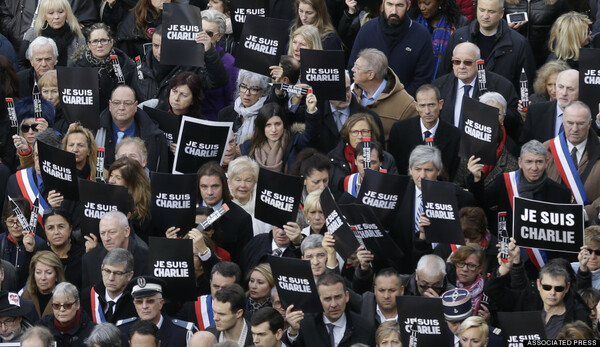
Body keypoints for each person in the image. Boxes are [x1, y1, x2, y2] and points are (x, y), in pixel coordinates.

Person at [467, 140, 571, 268]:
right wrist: (477, 180)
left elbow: (564, 236)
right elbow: (481, 205)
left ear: (546, 163)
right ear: (520, 162)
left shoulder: (560, 193)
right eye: (529, 162)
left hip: (543, 262)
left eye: (539, 162)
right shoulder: (504, 182)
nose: (534, 167)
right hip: (507, 255)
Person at [390, 145, 475, 274]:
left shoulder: (458, 196)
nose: (422, 175)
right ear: (410, 170)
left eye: (428, 170)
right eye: (417, 169)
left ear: (438, 171)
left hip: (445, 265)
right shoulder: (396, 194)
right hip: (406, 267)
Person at [485, 241, 591, 339]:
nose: (552, 292)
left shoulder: (579, 316)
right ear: (538, 285)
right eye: (547, 287)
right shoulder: (526, 301)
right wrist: (505, 268)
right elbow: (492, 290)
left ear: (567, 288)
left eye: (558, 288)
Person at [441, 0, 536, 95]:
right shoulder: (459, 37)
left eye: (491, 12)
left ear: (501, 13)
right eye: (482, 10)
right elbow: (445, 74)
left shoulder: (519, 43)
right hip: (463, 100)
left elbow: (526, 85)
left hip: (502, 103)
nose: (485, 16)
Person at [348, 0, 434, 96]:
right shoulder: (367, 30)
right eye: (390, 4)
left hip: (405, 106)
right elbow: (353, 68)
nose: (394, 11)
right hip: (367, 103)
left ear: (408, 6)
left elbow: (422, 79)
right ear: (383, 3)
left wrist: (400, 102)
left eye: (399, 5)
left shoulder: (421, 36)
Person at [433, 42, 520, 135]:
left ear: (479, 63)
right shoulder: (439, 86)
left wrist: (495, 113)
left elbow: (515, 121)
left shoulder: (502, 86)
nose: (461, 66)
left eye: (467, 62)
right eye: (457, 61)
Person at [132, 24, 228, 103]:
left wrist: (209, 51)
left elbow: (218, 81)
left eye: (166, 47)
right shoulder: (141, 66)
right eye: (156, 46)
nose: (159, 52)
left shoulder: (190, 67)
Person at [388, 84, 460, 181]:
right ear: (416, 106)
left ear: (440, 104)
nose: (427, 111)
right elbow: (394, 168)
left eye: (431, 105)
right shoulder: (400, 130)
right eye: (422, 105)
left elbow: (455, 172)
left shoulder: (454, 135)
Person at [545, 102, 600, 226]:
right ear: (563, 122)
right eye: (570, 123)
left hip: (591, 228)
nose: (574, 129)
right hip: (551, 224)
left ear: (590, 123)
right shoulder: (546, 149)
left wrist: (587, 213)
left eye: (580, 123)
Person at [284, 272, 375, 346]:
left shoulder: (364, 327)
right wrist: (293, 333)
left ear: (347, 296)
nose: (334, 304)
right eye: (327, 299)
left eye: (338, 297)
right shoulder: (305, 324)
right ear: (318, 300)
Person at [96, 85, 169, 172]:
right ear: (110, 105)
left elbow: (161, 178)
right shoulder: (94, 132)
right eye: (116, 103)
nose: (121, 108)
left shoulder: (156, 138)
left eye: (127, 103)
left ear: (135, 106)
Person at [454, 92, 519, 188]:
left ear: (503, 118)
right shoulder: (465, 144)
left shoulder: (511, 148)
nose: (492, 117)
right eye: (487, 112)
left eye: (497, 113)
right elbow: (457, 185)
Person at [350, 48, 417, 142]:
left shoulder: (406, 105)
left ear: (370, 75)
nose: (352, 69)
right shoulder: (350, 94)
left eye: (357, 67)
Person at [311, 71, 384, 154]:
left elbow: (380, 155)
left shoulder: (371, 118)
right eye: (338, 91)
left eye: (347, 89)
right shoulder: (314, 114)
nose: (345, 96)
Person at [328, 113, 398, 197]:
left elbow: (394, 189)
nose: (360, 136)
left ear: (372, 133)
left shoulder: (386, 158)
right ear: (348, 134)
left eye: (364, 131)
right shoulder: (334, 157)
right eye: (354, 132)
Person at [196, 161, 254, 264]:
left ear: (224, 185)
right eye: (204, 186)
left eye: (215, 186)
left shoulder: (241, 218)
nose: (209, 192)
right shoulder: (187, 212)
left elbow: (244, 261)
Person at [70, 22, 136, 111]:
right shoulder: (76, 67)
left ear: (111, 42)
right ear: (89, 45)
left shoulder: (125, 64)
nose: (99, 45)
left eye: (103, 40)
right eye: (95, 41)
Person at [242, 99, 319, 174]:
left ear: (284, 124)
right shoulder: (248, 147)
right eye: (268, 125)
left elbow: (310, 136)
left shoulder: (294, 141)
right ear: (262, 127)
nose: (274, 130)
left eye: (277, 124)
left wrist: (311, 112)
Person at [117, 276, 196, 347]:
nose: (144, 306)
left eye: (150, 301)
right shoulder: (121, 331)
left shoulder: (183, 333)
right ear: (134, 304)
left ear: (161, 303)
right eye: (139, 302)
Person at [81, 211, 149, 290]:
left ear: (126, 231)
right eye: (103, 233)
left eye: (112, 232)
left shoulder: (148, 258)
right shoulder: (89, 260)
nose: (106, 238)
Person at [408, 0, 469, 79]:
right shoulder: (412, 21)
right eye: (419, 2)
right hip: (416, 80)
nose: (422, 7)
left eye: (427, 3)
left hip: (446, 81)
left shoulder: (458, 23)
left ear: (440, 2)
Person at [175, 261, 241, 331]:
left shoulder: (246, 307)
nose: (220, 292)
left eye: (225, 288)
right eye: (216, 286)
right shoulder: (192, 307)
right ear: (210, 283)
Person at [19, 0, 85, 68]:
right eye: (51, 13)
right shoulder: (34, 33)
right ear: (44, 15)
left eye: (60, 12)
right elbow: (21, 63)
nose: (56, 17)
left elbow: (84, 64)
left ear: (67, 13)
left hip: (70, 77)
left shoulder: (76, 34)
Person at [520, 69, 579, 144]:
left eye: (570, 89)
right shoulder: (535, 111)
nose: (564, 93)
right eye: (560, 87)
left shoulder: (588, 114)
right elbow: (525, 145)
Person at [504, 0, 569, 68]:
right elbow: (495, 29)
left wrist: (554, 57)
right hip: (513, 56)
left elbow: (565, 30)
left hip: (546, 59)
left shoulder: (558, 2)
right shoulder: (504, 2)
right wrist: (508, 29)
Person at [198, 9, 238, 120]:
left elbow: (231, 100)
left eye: (209, 34)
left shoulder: (229, 63)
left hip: (212, 122)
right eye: (200, 31)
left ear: (219, 36)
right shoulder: (187, 54)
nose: (203, 37)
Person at [80, 248, 136, 324]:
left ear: (129, 275)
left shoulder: (136, 302)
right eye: (107, 271)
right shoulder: (86, 297)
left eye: (118, 273)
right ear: (102, 268)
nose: (111, 278)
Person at [34, 208, 85, 289]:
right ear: (45, 231)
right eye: (50, 228)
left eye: (61, 227)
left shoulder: (82, 253)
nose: (56, 232)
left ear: (70, 228)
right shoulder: (38, 253)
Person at [218, 70, 271, 145]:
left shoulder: (268, 116)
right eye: (243, 86)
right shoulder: (224, 114)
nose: (247, 93)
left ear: (263, 92)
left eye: (254, 89)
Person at [107, 157, 151, 239]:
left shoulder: (145, 206)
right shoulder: (105, 196)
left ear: (132, 182)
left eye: (118, 178)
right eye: (111, 175)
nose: (111, 181)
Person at [227, 156, 270, 235]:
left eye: (248, 180)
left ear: (254, 183)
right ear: (229, 182)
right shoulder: (224, 205)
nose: (243, 185)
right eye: (238, 180)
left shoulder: (263, 206)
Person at [0, 198, 45, 272]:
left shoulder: (40, 245)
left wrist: (30, 251)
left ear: (28, 221)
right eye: (11, 221)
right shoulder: (1, 240)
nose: (15, 226)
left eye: (20, 221)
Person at [12, 97, 55, 170]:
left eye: (35, 127)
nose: (30, 132)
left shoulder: (56, 140)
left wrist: (46, 136)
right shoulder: (14, 148)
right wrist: (26, 152)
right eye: (25, 127)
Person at [21, 251, 66, 318]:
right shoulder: (25, 296)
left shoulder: (66, 297)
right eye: (38, 272)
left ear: (57, 275)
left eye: (48, 273)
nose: (43, 278)